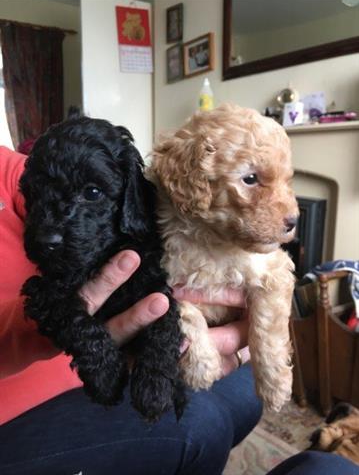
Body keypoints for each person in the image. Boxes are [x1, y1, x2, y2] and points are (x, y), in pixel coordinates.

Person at [0, 145, 260, 475]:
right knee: (201, 426)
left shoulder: (9, 164)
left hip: (98, 342)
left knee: (248, 389)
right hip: (18, 400)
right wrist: (49, 329)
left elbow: (68, 179)